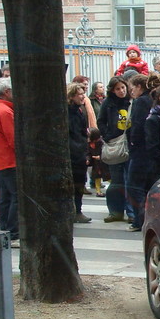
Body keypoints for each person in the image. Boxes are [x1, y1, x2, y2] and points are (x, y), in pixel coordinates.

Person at [96, 76, 132, 223]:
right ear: (112, 90)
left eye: (123, 87)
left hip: (129, 145)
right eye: (117, 89)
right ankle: (115, 211)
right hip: (114, 144)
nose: (121, 91)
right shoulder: (108, 104)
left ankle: (131, 213)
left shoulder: (131, 102)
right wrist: (108, 135)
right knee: (116, 180)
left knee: (129, 180)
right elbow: (101, 121)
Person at [0, 78, 19, 245]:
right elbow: (13, 139)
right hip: (9, 159)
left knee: (6, 196)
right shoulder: (6, 112)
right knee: (14, 196)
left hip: (2, 159)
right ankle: (13, 231)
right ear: (7, 92)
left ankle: (6, 228)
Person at [124, 74, 152, 231]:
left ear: (139, 87)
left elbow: (137, 125)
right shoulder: (150, 99)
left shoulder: (140, 101)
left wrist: (133, 142)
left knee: (134, 186)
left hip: (139, 150)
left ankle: (139, 220)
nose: (131, 91)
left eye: (132, 88)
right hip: (148, 150)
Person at [67, 82, 92, 223]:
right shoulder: (68, 111)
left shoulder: (80, 110)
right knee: (73, 184)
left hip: (80, 151)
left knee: (80, 183)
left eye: (83, 93)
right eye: (80, 94)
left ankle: (78, 210)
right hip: (72, 152)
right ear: (72, 96)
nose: (83, 96)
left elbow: (83, 132)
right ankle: (72, 211)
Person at [88, 127, 108, 196]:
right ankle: (98, 191)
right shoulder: (90, 144)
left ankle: (113, 189)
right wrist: (88, 159)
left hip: (102, 163)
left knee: (107, 176)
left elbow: (104, 151)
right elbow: (88, 153)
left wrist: (100, 156)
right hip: (95, 164)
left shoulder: (101, 143)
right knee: (97, 177)